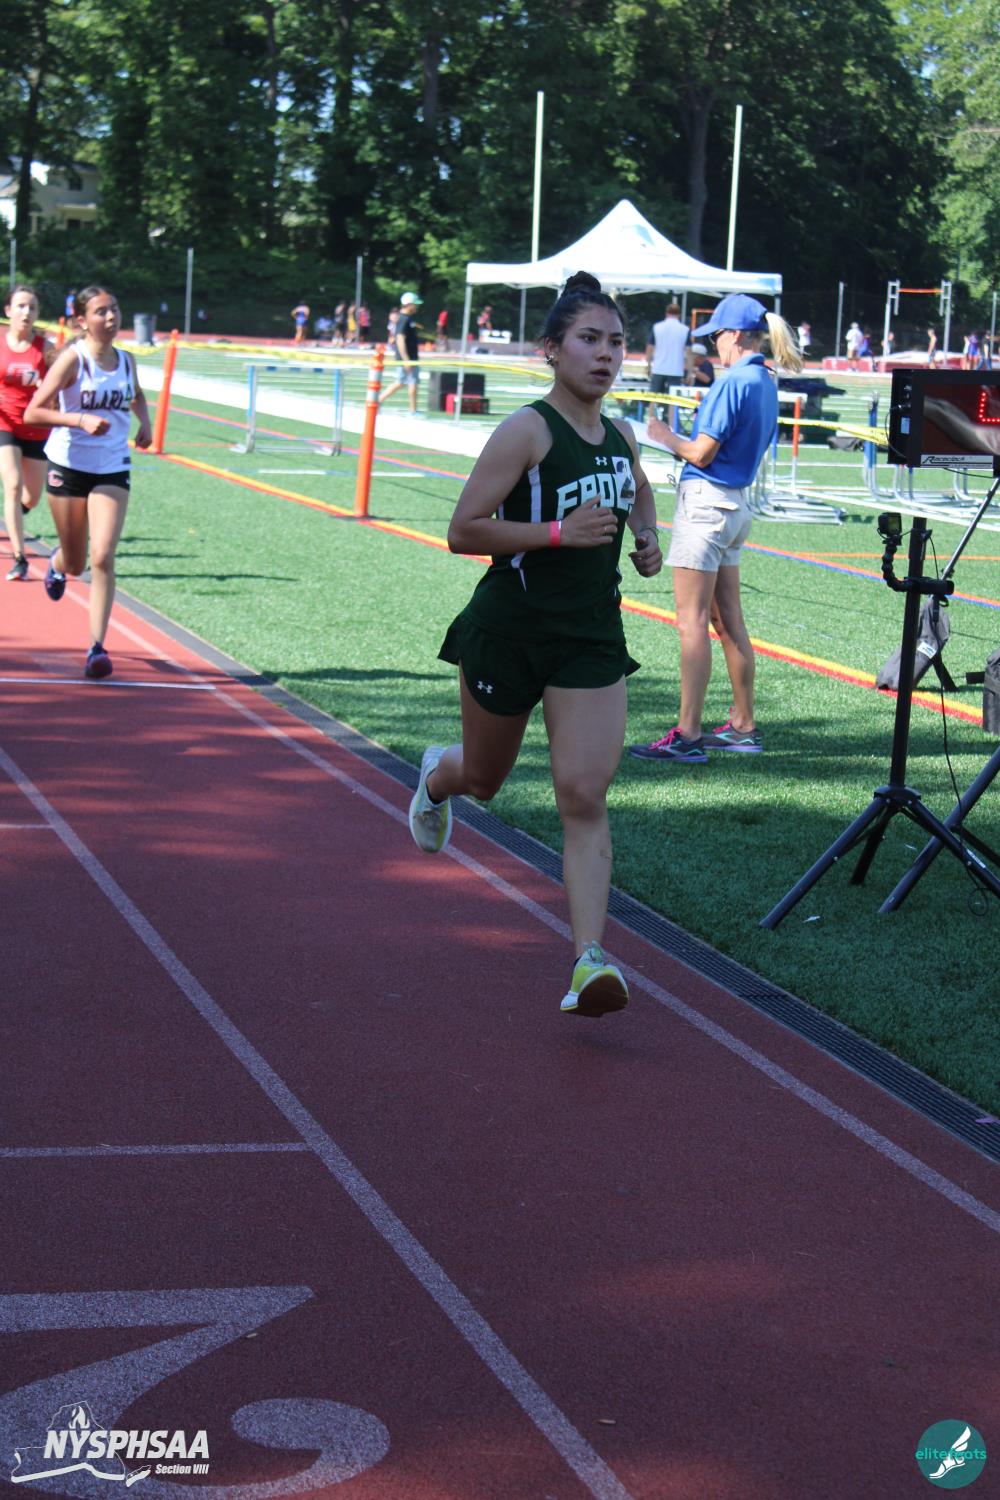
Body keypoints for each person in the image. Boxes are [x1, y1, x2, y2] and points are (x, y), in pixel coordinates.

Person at [407, 271, 663, 1017]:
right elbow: (463, 530)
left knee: (583, 795)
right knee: (484, 778)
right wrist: (557, 533)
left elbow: (640, 488)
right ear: (552, 349)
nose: (606, 354)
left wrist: (647, 536)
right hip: (510, 632)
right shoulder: (528, 430)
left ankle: (588, 960)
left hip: (591, 638)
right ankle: (437, 779)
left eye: (616, 342)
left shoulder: (621, 434)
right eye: (589, 339)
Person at [630, 293, 802, 764]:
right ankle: (743, 725)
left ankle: (687, 733)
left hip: (707, 503)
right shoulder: (765, 381)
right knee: (728, 622)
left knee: (691, 622)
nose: (713, 347)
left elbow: (702, 453)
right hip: (735, 505)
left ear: (735, 335)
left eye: (717, 337)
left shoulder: (736, 381)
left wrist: (662, 436)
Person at [24, 285, 152, 680]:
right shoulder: (73, 361)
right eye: (101, 312)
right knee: (76, 561)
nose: (111, 318)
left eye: (115, 310)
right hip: (68, 466)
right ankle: (57, 563)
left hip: (112, 467)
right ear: (82, 320)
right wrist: (78, 419)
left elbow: (136, 395)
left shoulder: (127, 361)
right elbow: (33, 413)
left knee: (102, 556)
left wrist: (145, 423)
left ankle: (97, 647)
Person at [1, 284, 55, 581]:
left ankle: (12, 518)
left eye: (32, 307)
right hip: (4, 424)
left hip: (35, 428)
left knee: (31, 498)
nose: (26, 312)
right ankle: (20, 558)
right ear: (8, 311)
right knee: (12, 485)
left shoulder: (45, 349)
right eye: (21, 306)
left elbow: (62, 382)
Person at [379, 293, 423, 413]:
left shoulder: (407, 319)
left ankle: (412, 410)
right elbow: (399, 339)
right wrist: (406, 360)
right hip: (407, 358)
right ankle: (412, 411)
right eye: (415, 304)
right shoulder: (403, 319)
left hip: (410, 357)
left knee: (407, 382)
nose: (416, 307)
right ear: (408, 304)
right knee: (405, 382)